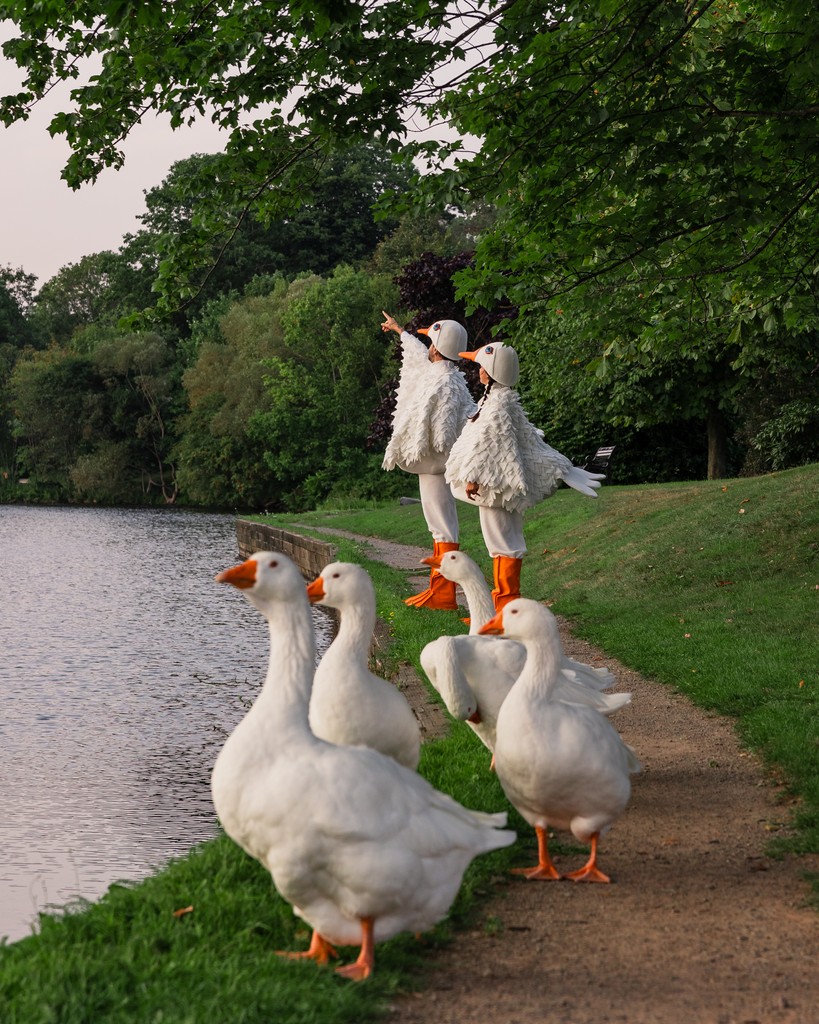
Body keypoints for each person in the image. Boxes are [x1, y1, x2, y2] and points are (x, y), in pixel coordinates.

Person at [445, 341, 605, 611]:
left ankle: (507, 609)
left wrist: (474, 475)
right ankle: (504, 607)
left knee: (503, 543)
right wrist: (561, 465)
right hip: (497, 487)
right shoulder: (497, 401)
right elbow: (527, 440)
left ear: (492, 371)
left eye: (481, 366)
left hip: (497, 489)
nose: (478, 371)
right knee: (501, 543)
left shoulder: (497, 407)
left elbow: (493, 444)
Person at [381, 310, 476, 609]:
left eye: (432, 341)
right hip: (432, 464)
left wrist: (442, 452)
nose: (429, 346)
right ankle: (438, 588)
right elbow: (419, 358)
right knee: (438, 524)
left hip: (437, 464)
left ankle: (444, 593)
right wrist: (400, 331)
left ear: (437, 348)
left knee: (443, 525)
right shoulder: (441, 374)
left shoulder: (445, 383)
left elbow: (446, 430)